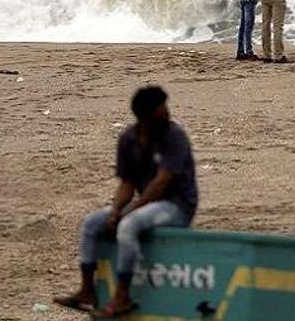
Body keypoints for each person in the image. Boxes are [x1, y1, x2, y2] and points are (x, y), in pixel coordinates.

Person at [53, 86, 198, 318]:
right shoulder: (128, 139)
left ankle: (122, 296)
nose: (167, 113)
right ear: (146, 115)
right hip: (146, 205)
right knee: (91, 223)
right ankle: (87, 290)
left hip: (177, 206)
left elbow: (162, 182)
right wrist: (116, 209)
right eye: (161, 110)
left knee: (128, 225)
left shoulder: (174, 136)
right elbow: (127, 184)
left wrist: (128, 212)